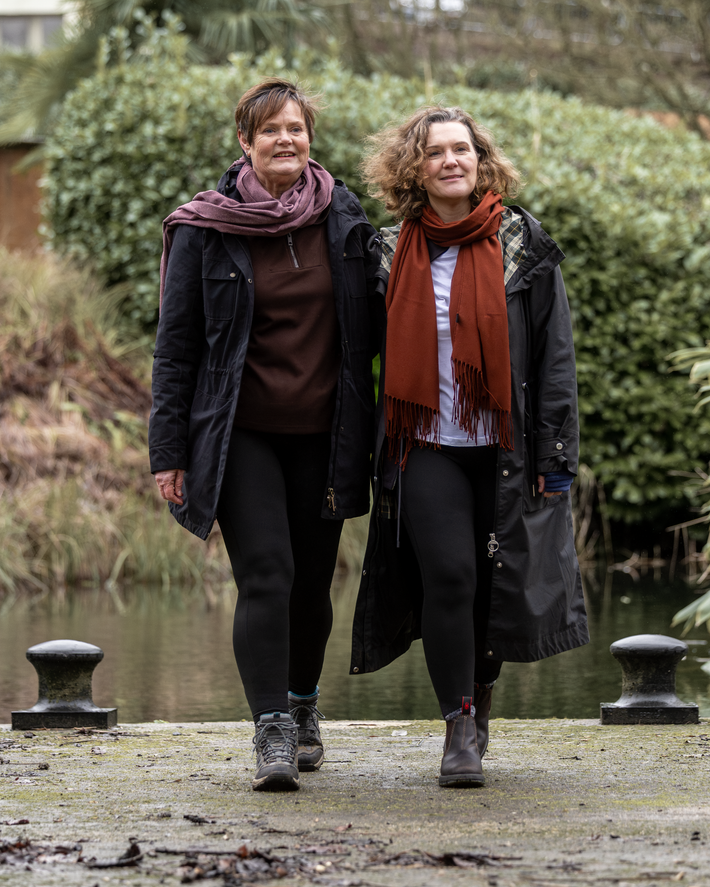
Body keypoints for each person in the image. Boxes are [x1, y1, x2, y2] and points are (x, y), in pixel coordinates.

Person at [149, 78, 382, 792]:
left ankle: (304, 704)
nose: (286, 139)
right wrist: (168, 452)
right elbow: (176, 348)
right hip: (239, 433)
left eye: (296, 128)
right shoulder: (205, 227)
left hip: (327, 434)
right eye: (271, 129)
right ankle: (272, 727)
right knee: (267, 574)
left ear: (311, 138)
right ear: (245, 142)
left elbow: (381, 322)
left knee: (313, 583)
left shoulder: (345, 219)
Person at [352, 106, 588, 788]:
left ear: (481, 161)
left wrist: (556, 459)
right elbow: (354, 357)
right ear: (414, 168)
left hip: (506, 448)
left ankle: (481, 698)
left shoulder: (522, 243)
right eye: (435, 152)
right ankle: (459, 727)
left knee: (494, 585)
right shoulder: (386, 252)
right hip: (425, 444)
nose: (450, 160)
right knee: (450, 576)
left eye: (462, 149)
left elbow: (554, 357)